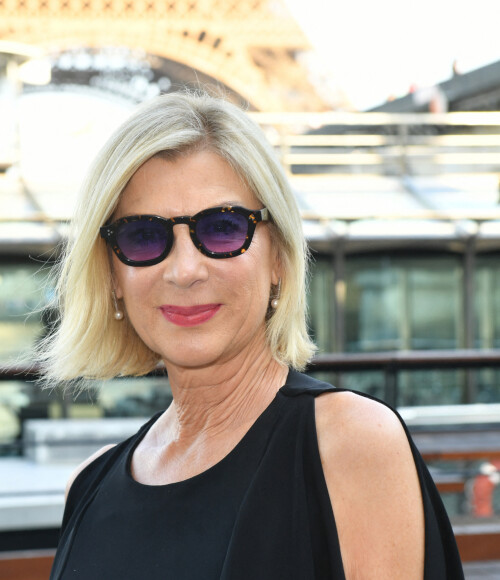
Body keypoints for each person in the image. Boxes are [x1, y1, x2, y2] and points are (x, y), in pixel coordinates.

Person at [39, 91, 464, 579]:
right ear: (113, 275)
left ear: (279, 256)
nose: (184, 270)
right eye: (144, 235)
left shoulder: (350, 445)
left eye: (222, 228)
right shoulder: (88, 486)